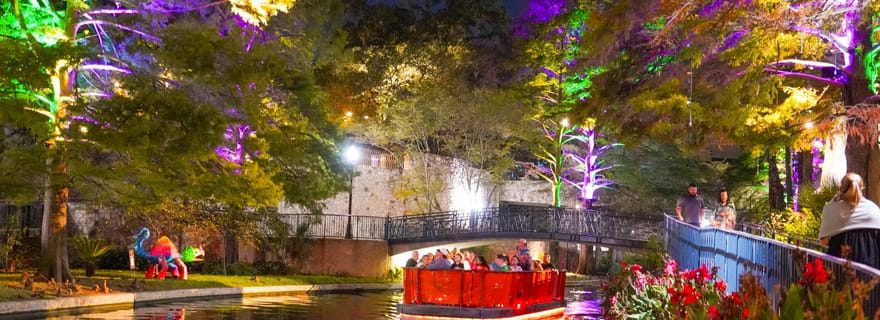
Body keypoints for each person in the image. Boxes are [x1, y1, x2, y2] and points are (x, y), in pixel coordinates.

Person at [819, 173, 880, 269]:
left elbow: (824, 241)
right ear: (862, 188)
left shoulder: (831, 209)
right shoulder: (873, 209)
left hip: (839, 265)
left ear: (841, 188)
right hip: (870, 266)